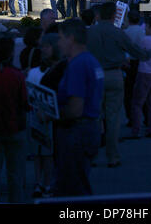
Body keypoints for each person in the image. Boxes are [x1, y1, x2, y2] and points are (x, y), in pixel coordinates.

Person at [87, 2, 151, 166]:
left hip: (95, 75)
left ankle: (91, 155)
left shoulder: (90, 32)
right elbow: (137, 52)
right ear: (114, 15)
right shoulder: (117, 33)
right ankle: (112, 156)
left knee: (94, 117)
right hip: (114, 74)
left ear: (98, 15)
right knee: (113, 118)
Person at [53, 19, 104, 196]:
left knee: (72, 187)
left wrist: (53, 113)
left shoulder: (78, 65)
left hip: (76, 132)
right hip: (89, 128)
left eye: (60, 38)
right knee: (80, 181)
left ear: (71, 39)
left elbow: (75, 108)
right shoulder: (91, 61)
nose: (58, 43)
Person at [0, 33, 30, 203]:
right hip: (15, 128)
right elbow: (25, 102)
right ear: (11, 53)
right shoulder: (16, 75)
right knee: (16, 174)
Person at [26, 33, 61, 198]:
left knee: (46, 154)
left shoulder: (57, 70)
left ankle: (46, 183)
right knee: (39, 153)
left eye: (46, 46)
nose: (43, 49)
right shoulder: (35, 72)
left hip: (49, 117)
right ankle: (41, 183)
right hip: (37, 115)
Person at [123, 10, 145, 126]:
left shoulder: (125, 32)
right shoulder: (142, 31)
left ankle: (131, 117)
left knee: (128, 92)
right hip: (140, 62)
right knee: (141, 91)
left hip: (129, 63)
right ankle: (142, 116)